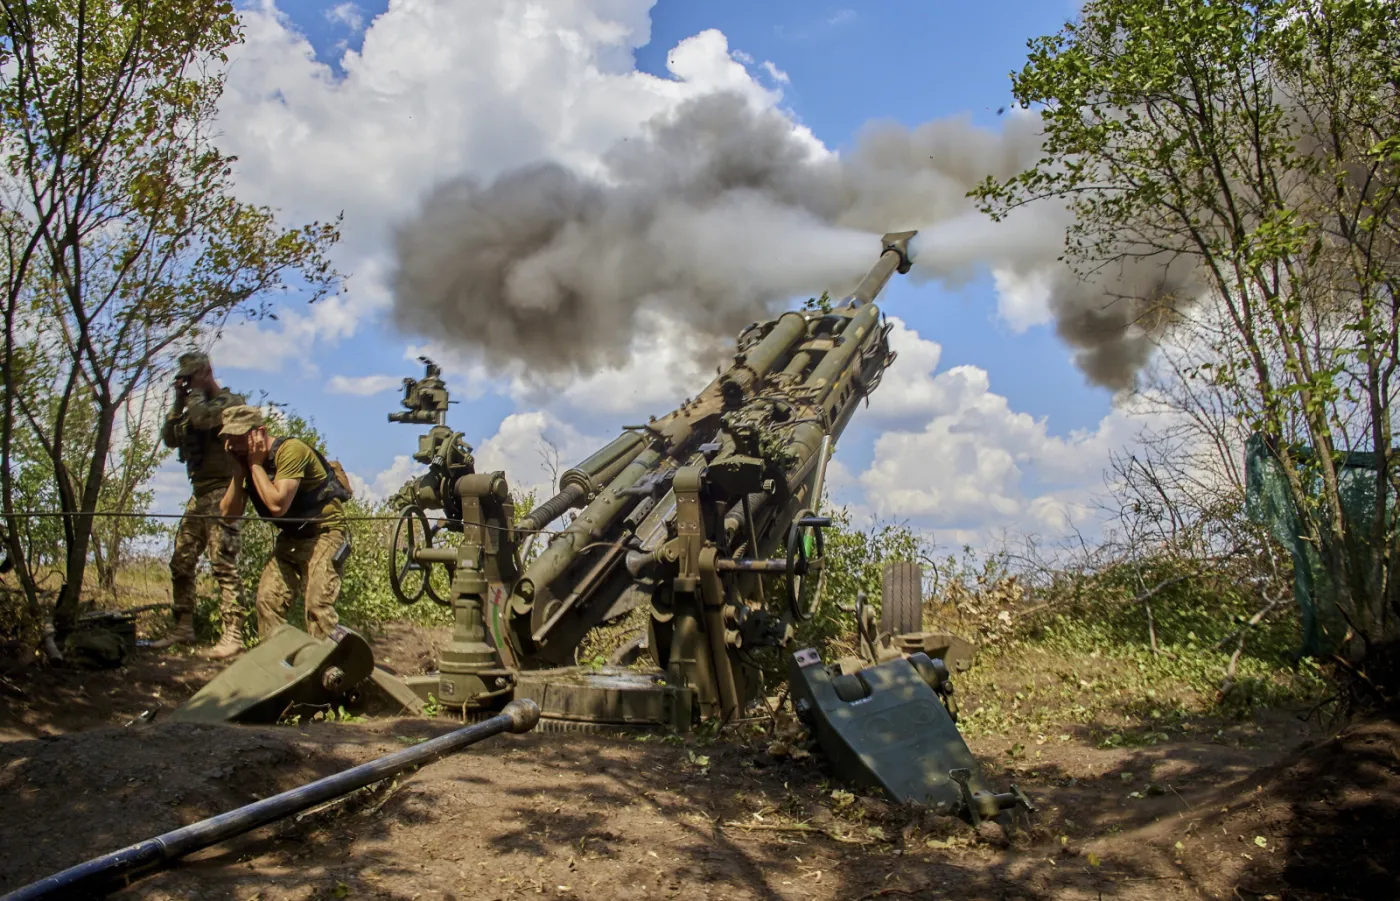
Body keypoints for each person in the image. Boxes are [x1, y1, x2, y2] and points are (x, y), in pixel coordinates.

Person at [218, 405, 352, 640]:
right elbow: (228, 515)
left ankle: (328, 670)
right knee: (267, 601)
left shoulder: (290, 451)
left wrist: (255, 465)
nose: (233, 444)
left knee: (317, 607)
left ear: (259, 432)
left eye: (239, 436)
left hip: (324, 534)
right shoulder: (247, 463)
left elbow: (277, 506)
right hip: (291, 539)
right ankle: (277, 666)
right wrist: (239, 472)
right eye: (229, 438)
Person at [153, 352, 246, 655]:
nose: (189, 383)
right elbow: (169, 438)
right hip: (199, 494)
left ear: (207, 372)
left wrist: (193, 394)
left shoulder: (230, 403)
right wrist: (178, 401)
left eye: (193, 376)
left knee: (223, 563)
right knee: (181, 560)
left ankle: (233, 634)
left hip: (224, 491)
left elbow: (204, 420)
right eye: (187, 378)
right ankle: (183, 628)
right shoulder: (191, 405)